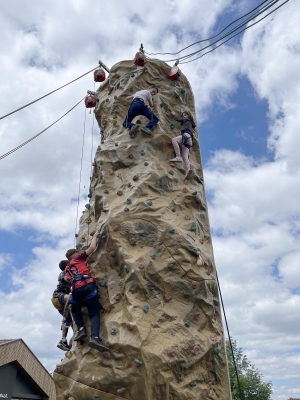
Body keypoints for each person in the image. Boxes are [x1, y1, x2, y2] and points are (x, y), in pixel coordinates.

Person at [64, 231, 109, 353]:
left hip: (76, 290)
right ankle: (95, 337)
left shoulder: (67, 269)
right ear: (76, 254)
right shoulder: (79, 258)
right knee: (94, 313)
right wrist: (94, 236)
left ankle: (81, 329)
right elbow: (92, 248)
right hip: (87, 285)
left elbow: (66, 279)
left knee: (75, 309)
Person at [51, 260, 72, 351]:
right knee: (69, 298)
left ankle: (63, 340)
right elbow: (66, 279)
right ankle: (65, 319)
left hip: (62, 301)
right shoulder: (63, 273)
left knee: (69, 318)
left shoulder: (69, 273)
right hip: (58, 296)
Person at [169, 110, 196, 181]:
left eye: (185, 115)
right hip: (189, 141)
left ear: (189, 116)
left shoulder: (187, 120)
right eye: (183, 115)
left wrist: (174, 115)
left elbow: (178, 119)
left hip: (186, 136)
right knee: (185, 156)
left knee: (174, 140)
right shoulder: (191, 124)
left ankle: (178, 157)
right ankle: (187, 172)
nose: (184, 116)